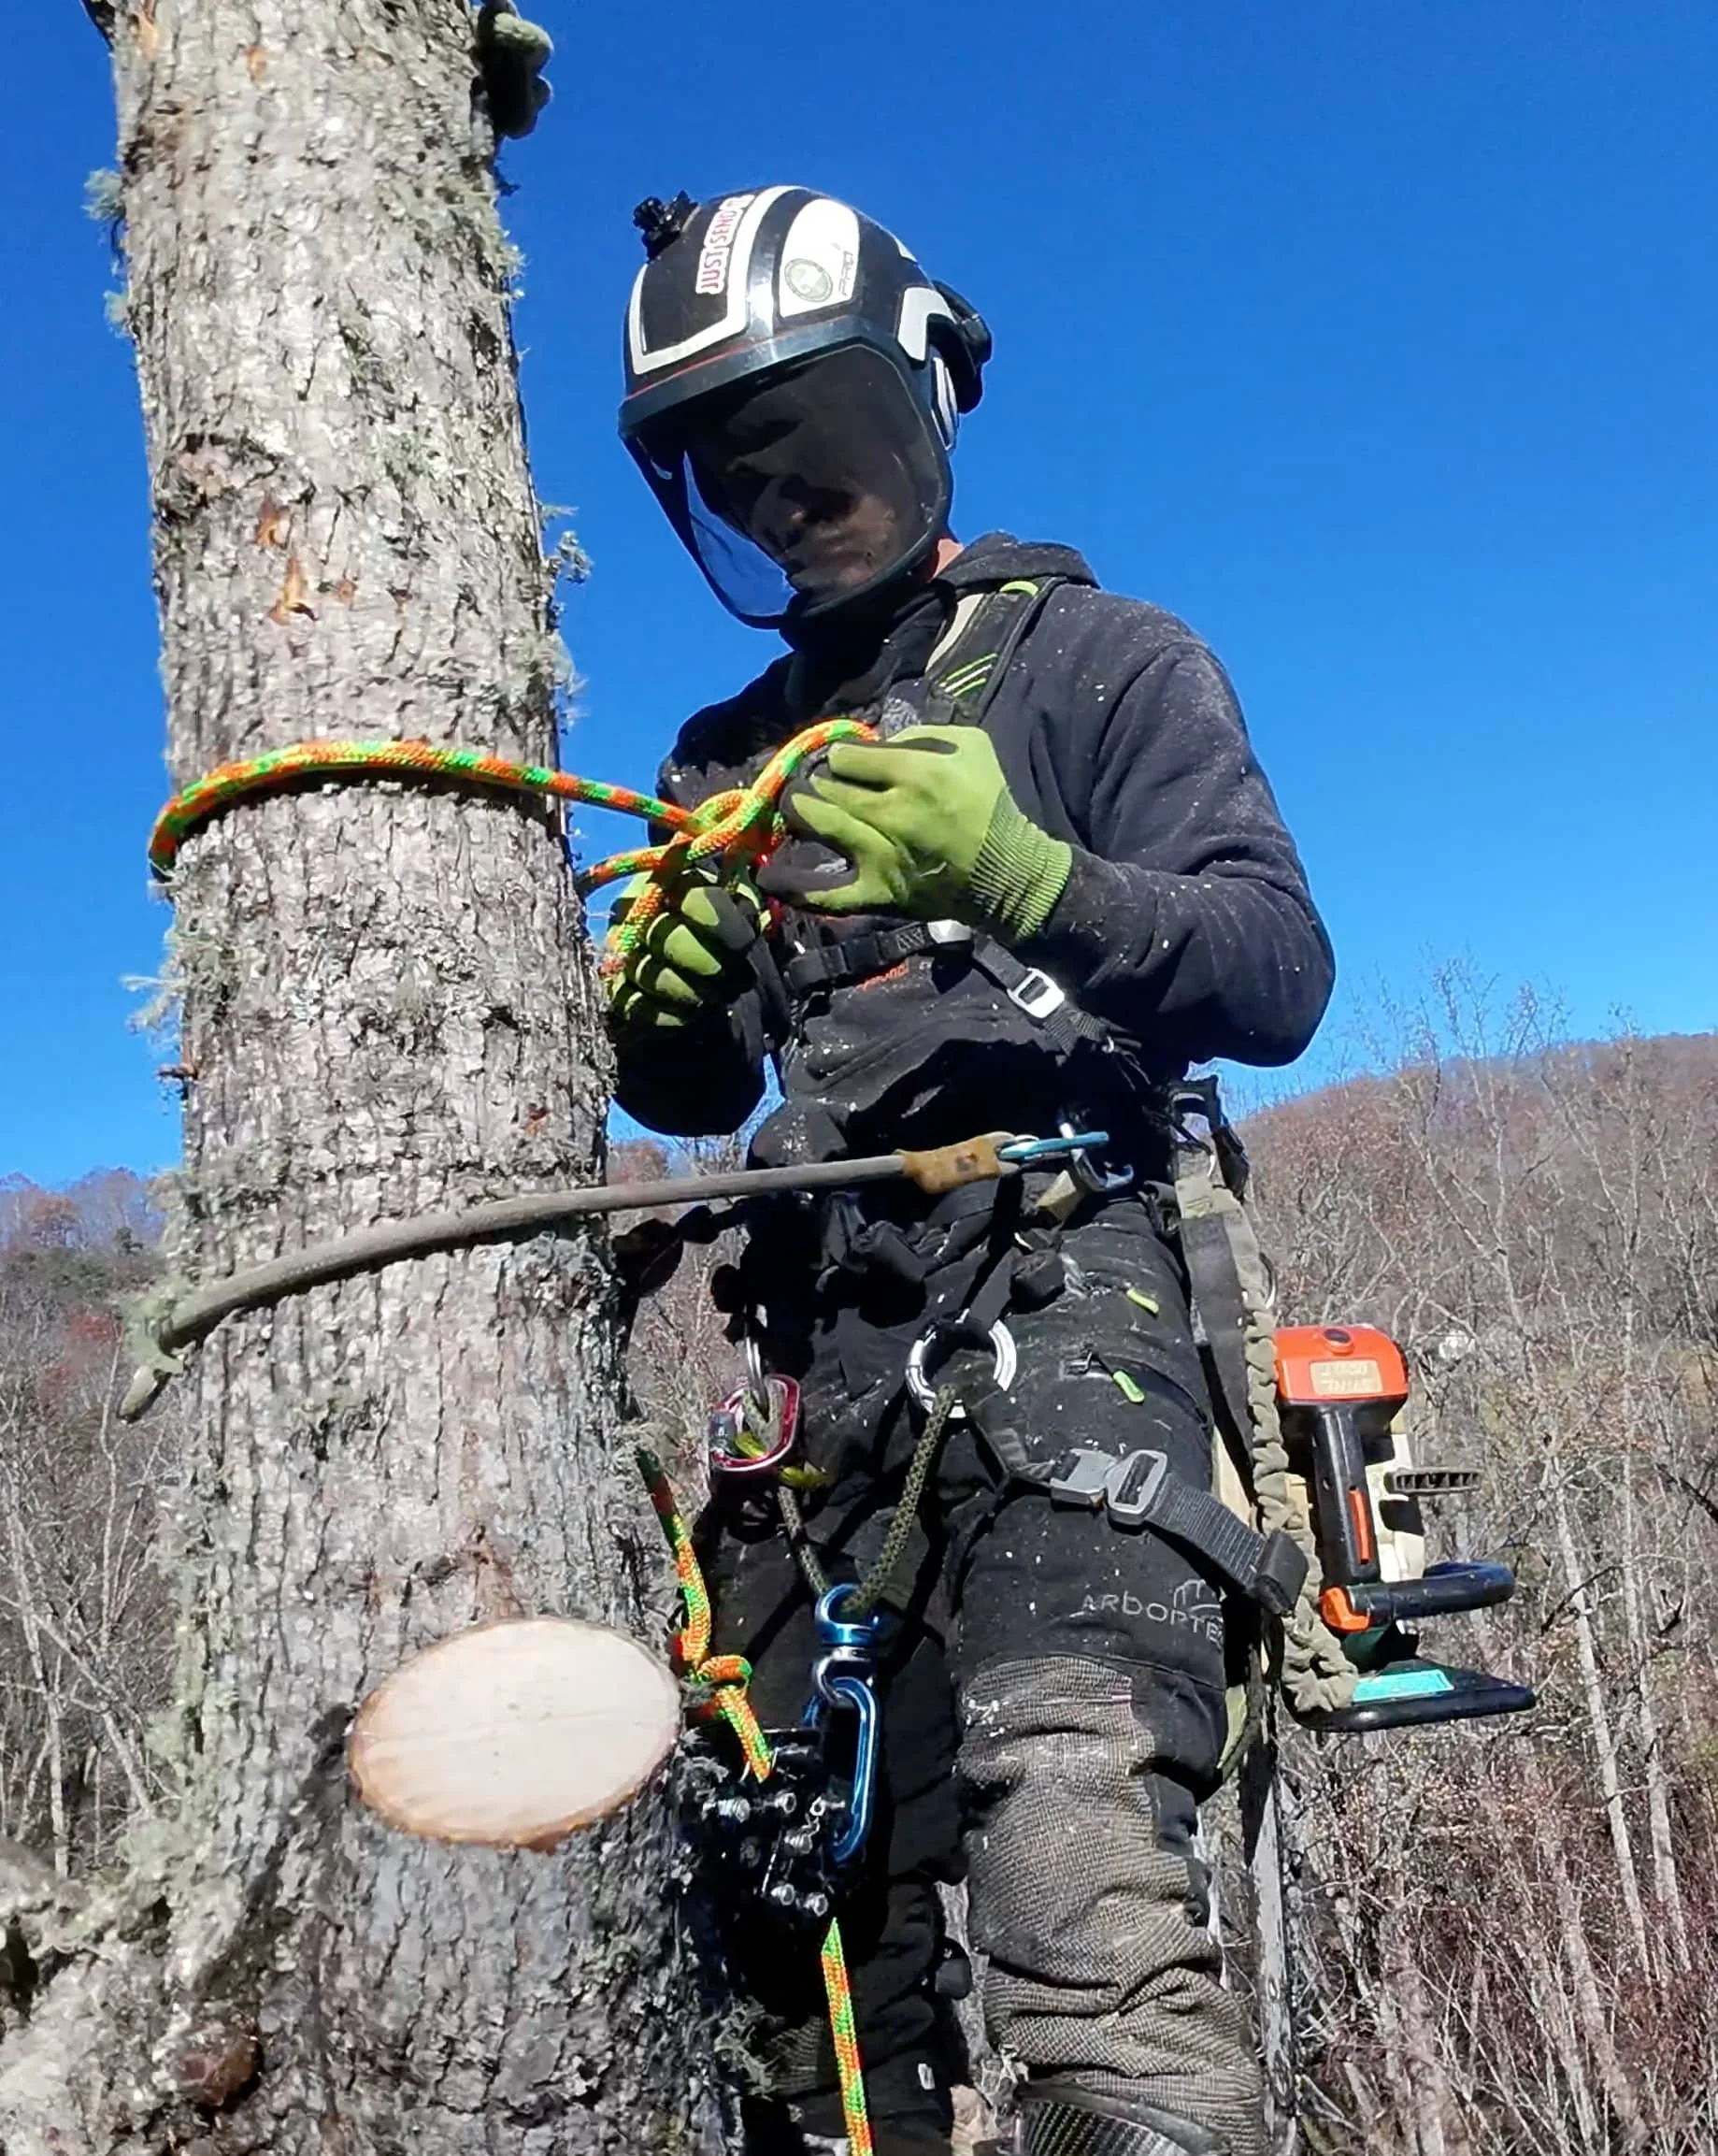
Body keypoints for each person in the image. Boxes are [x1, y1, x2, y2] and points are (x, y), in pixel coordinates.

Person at [607, 186, 1335, 2156]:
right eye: (740, 478)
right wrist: (665, 1012)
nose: (786, 505)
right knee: (792, 1957)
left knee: (1076, 1877)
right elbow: (697, 1081)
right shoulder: (715, 761)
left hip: (1069, 1314)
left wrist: (1023, 874)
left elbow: (1274, 968)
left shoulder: (1100, 661)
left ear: (919, 405)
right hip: (816, 1377)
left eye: (818, 447)